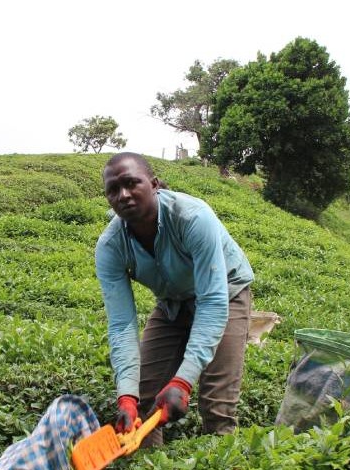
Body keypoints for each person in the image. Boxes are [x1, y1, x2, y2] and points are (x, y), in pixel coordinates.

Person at [94, 152, 254, 446]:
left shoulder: (192, 217)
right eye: (113, 190)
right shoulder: (110, 246)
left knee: (216, 404)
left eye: (131, 183)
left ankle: (220, 456)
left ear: (153, 184)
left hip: (225, 293)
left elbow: (212, 301)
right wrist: (126, 395)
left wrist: (182, 381)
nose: (124, 195)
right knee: (143, 400)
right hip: (172, 302)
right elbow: (121, 325)